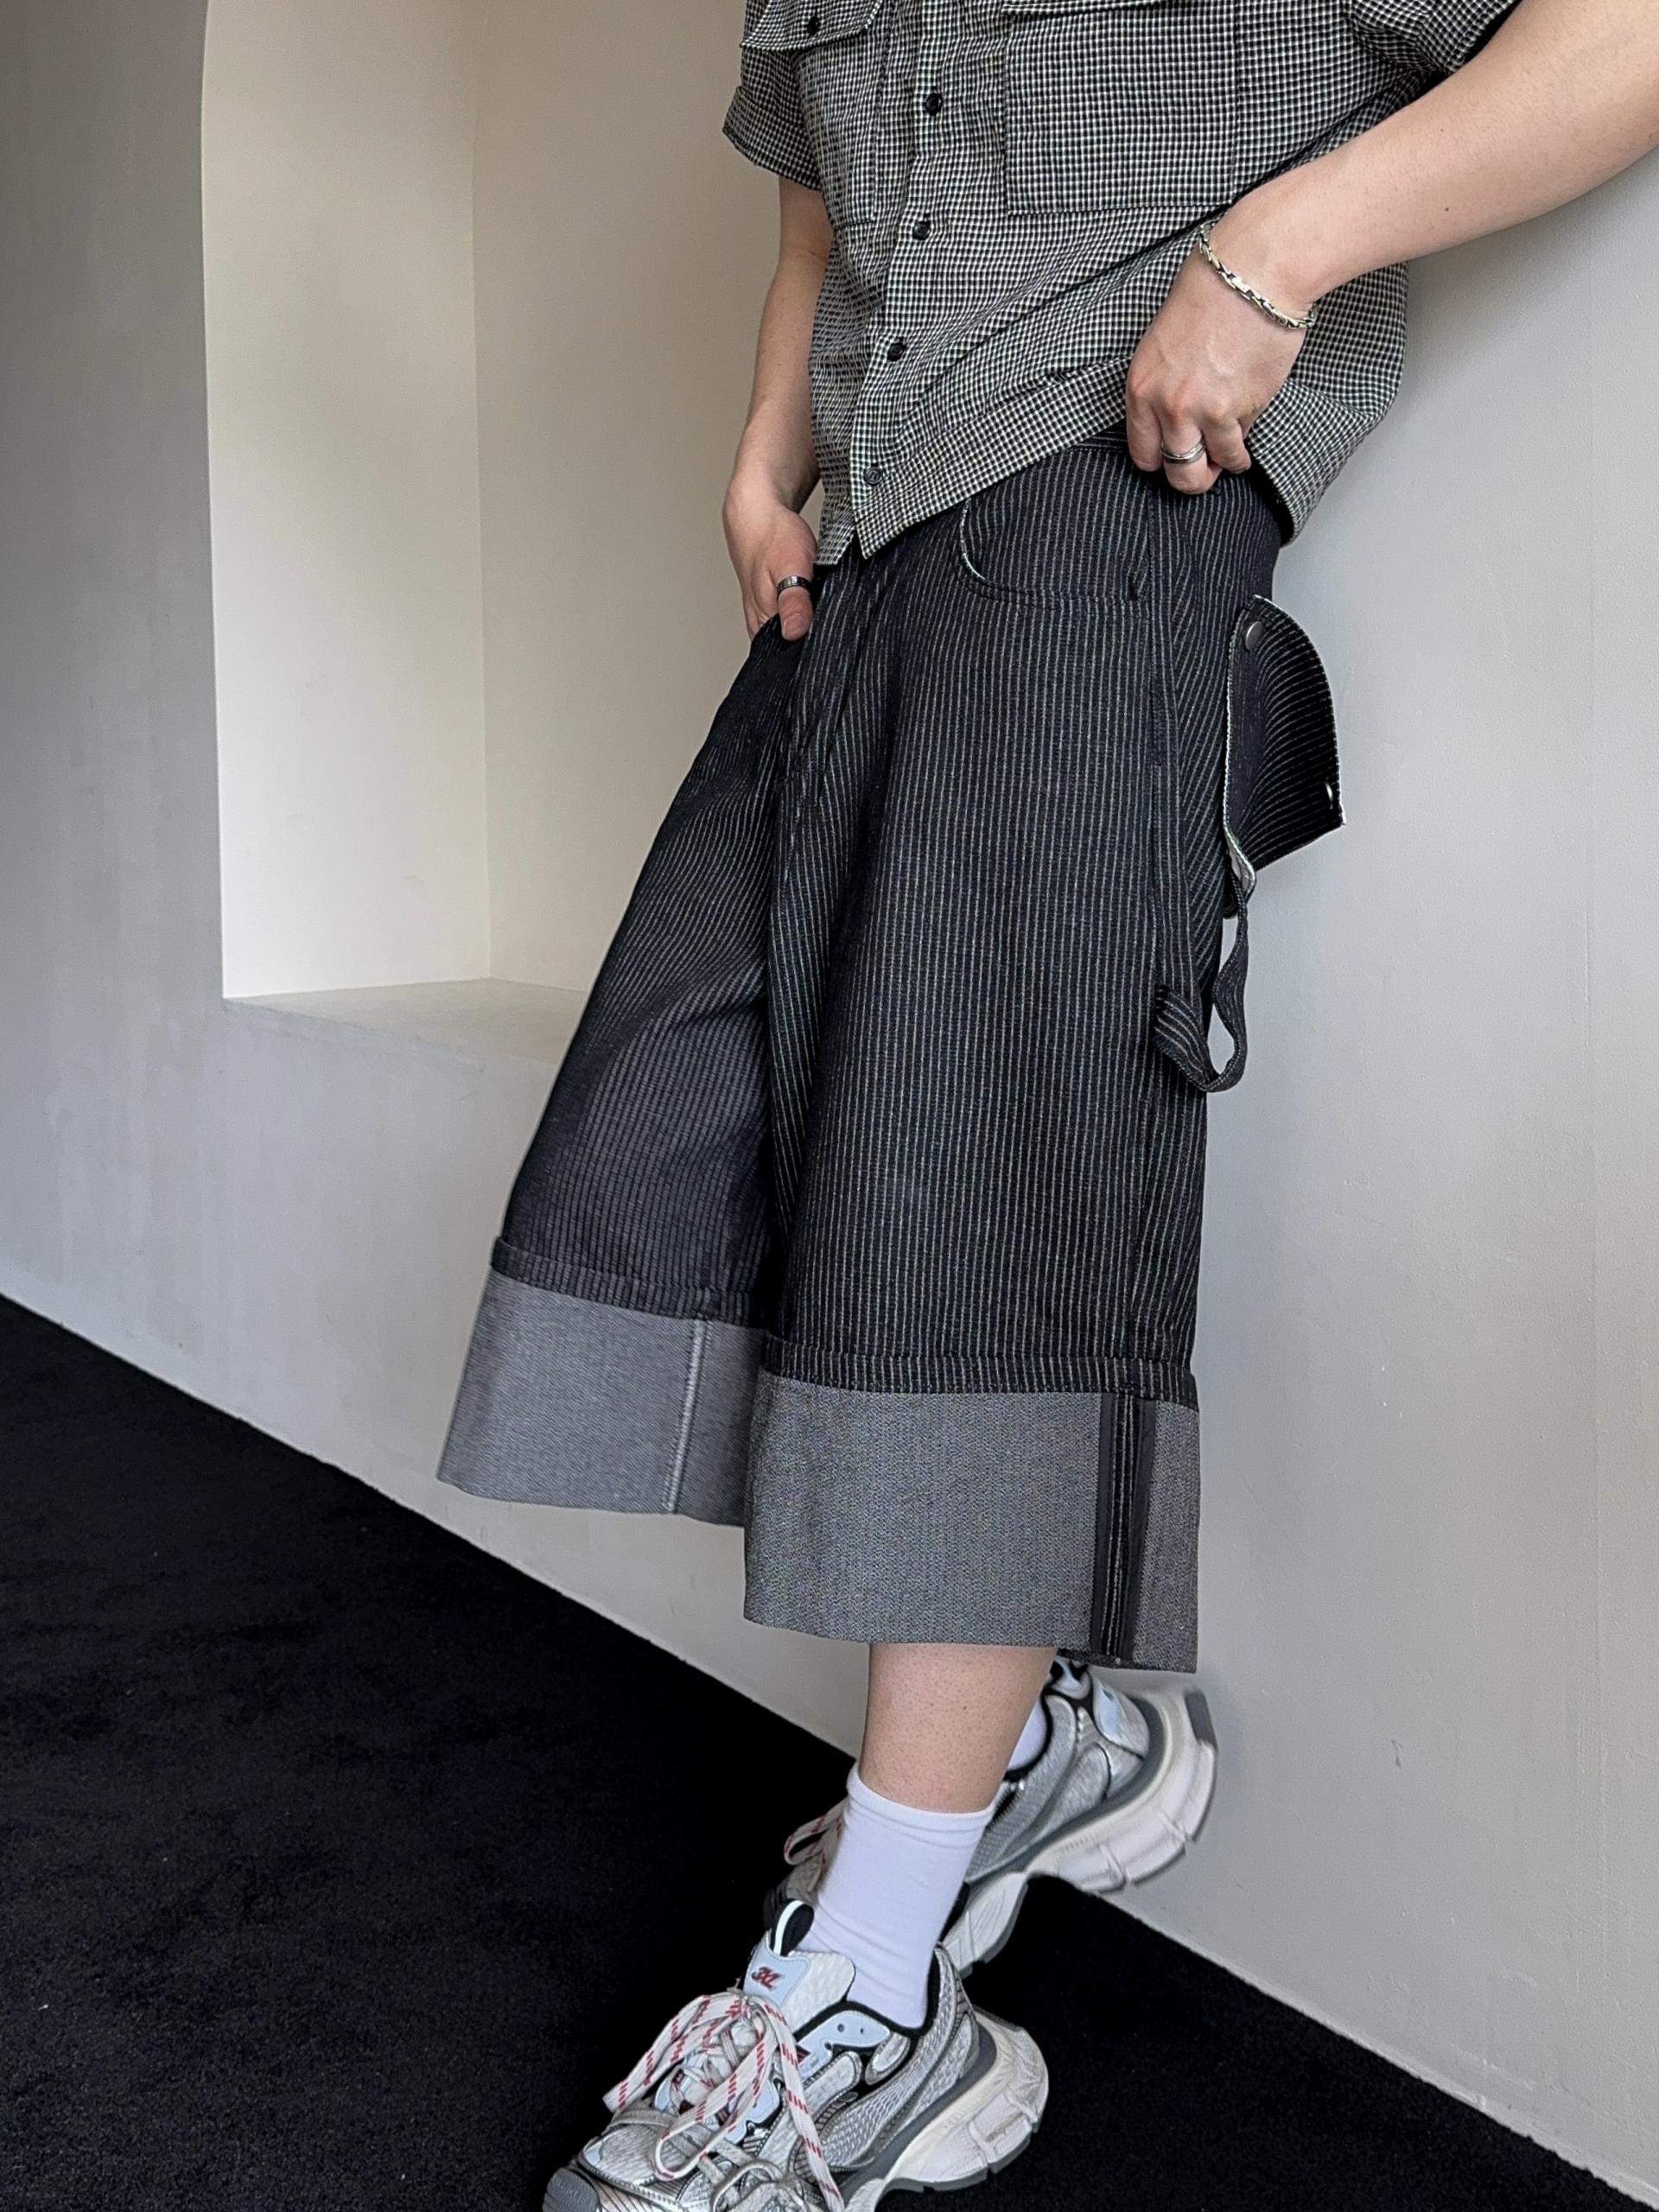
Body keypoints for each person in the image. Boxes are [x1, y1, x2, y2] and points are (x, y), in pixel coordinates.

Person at [437, 3, 1659, 2205]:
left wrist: (1281, 252)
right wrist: (766, 440)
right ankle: (1039, 1731)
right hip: (866, 535)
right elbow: (821, 181)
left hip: (1104, 508)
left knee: (973, 1187)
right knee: (692, 1118)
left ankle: (879, 1994)